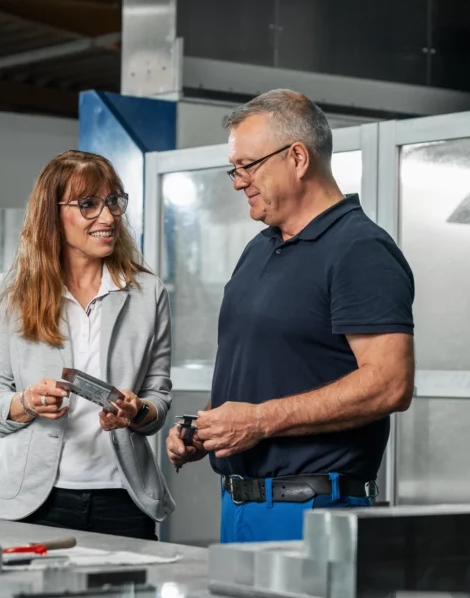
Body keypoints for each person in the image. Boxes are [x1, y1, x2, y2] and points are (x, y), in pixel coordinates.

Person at [166, 89, 415, 543]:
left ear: (298, 157)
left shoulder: (360, 249)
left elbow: (390, 383)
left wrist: (259, 421)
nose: (238, 181)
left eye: (248, 166)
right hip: (242, 504)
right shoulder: (259, 248)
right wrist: (207, 426)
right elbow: (264, 370)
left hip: (312, 509)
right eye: (234, 169)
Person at [0, 150, 174, 540]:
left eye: (113, 201)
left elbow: (159, 399)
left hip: (123, 500)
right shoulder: (11, 293)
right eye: (88, 205)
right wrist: (28, 402)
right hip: (32, 502)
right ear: (52, 214)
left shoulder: (147, 291)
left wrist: (137, 411)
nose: (107, 217)